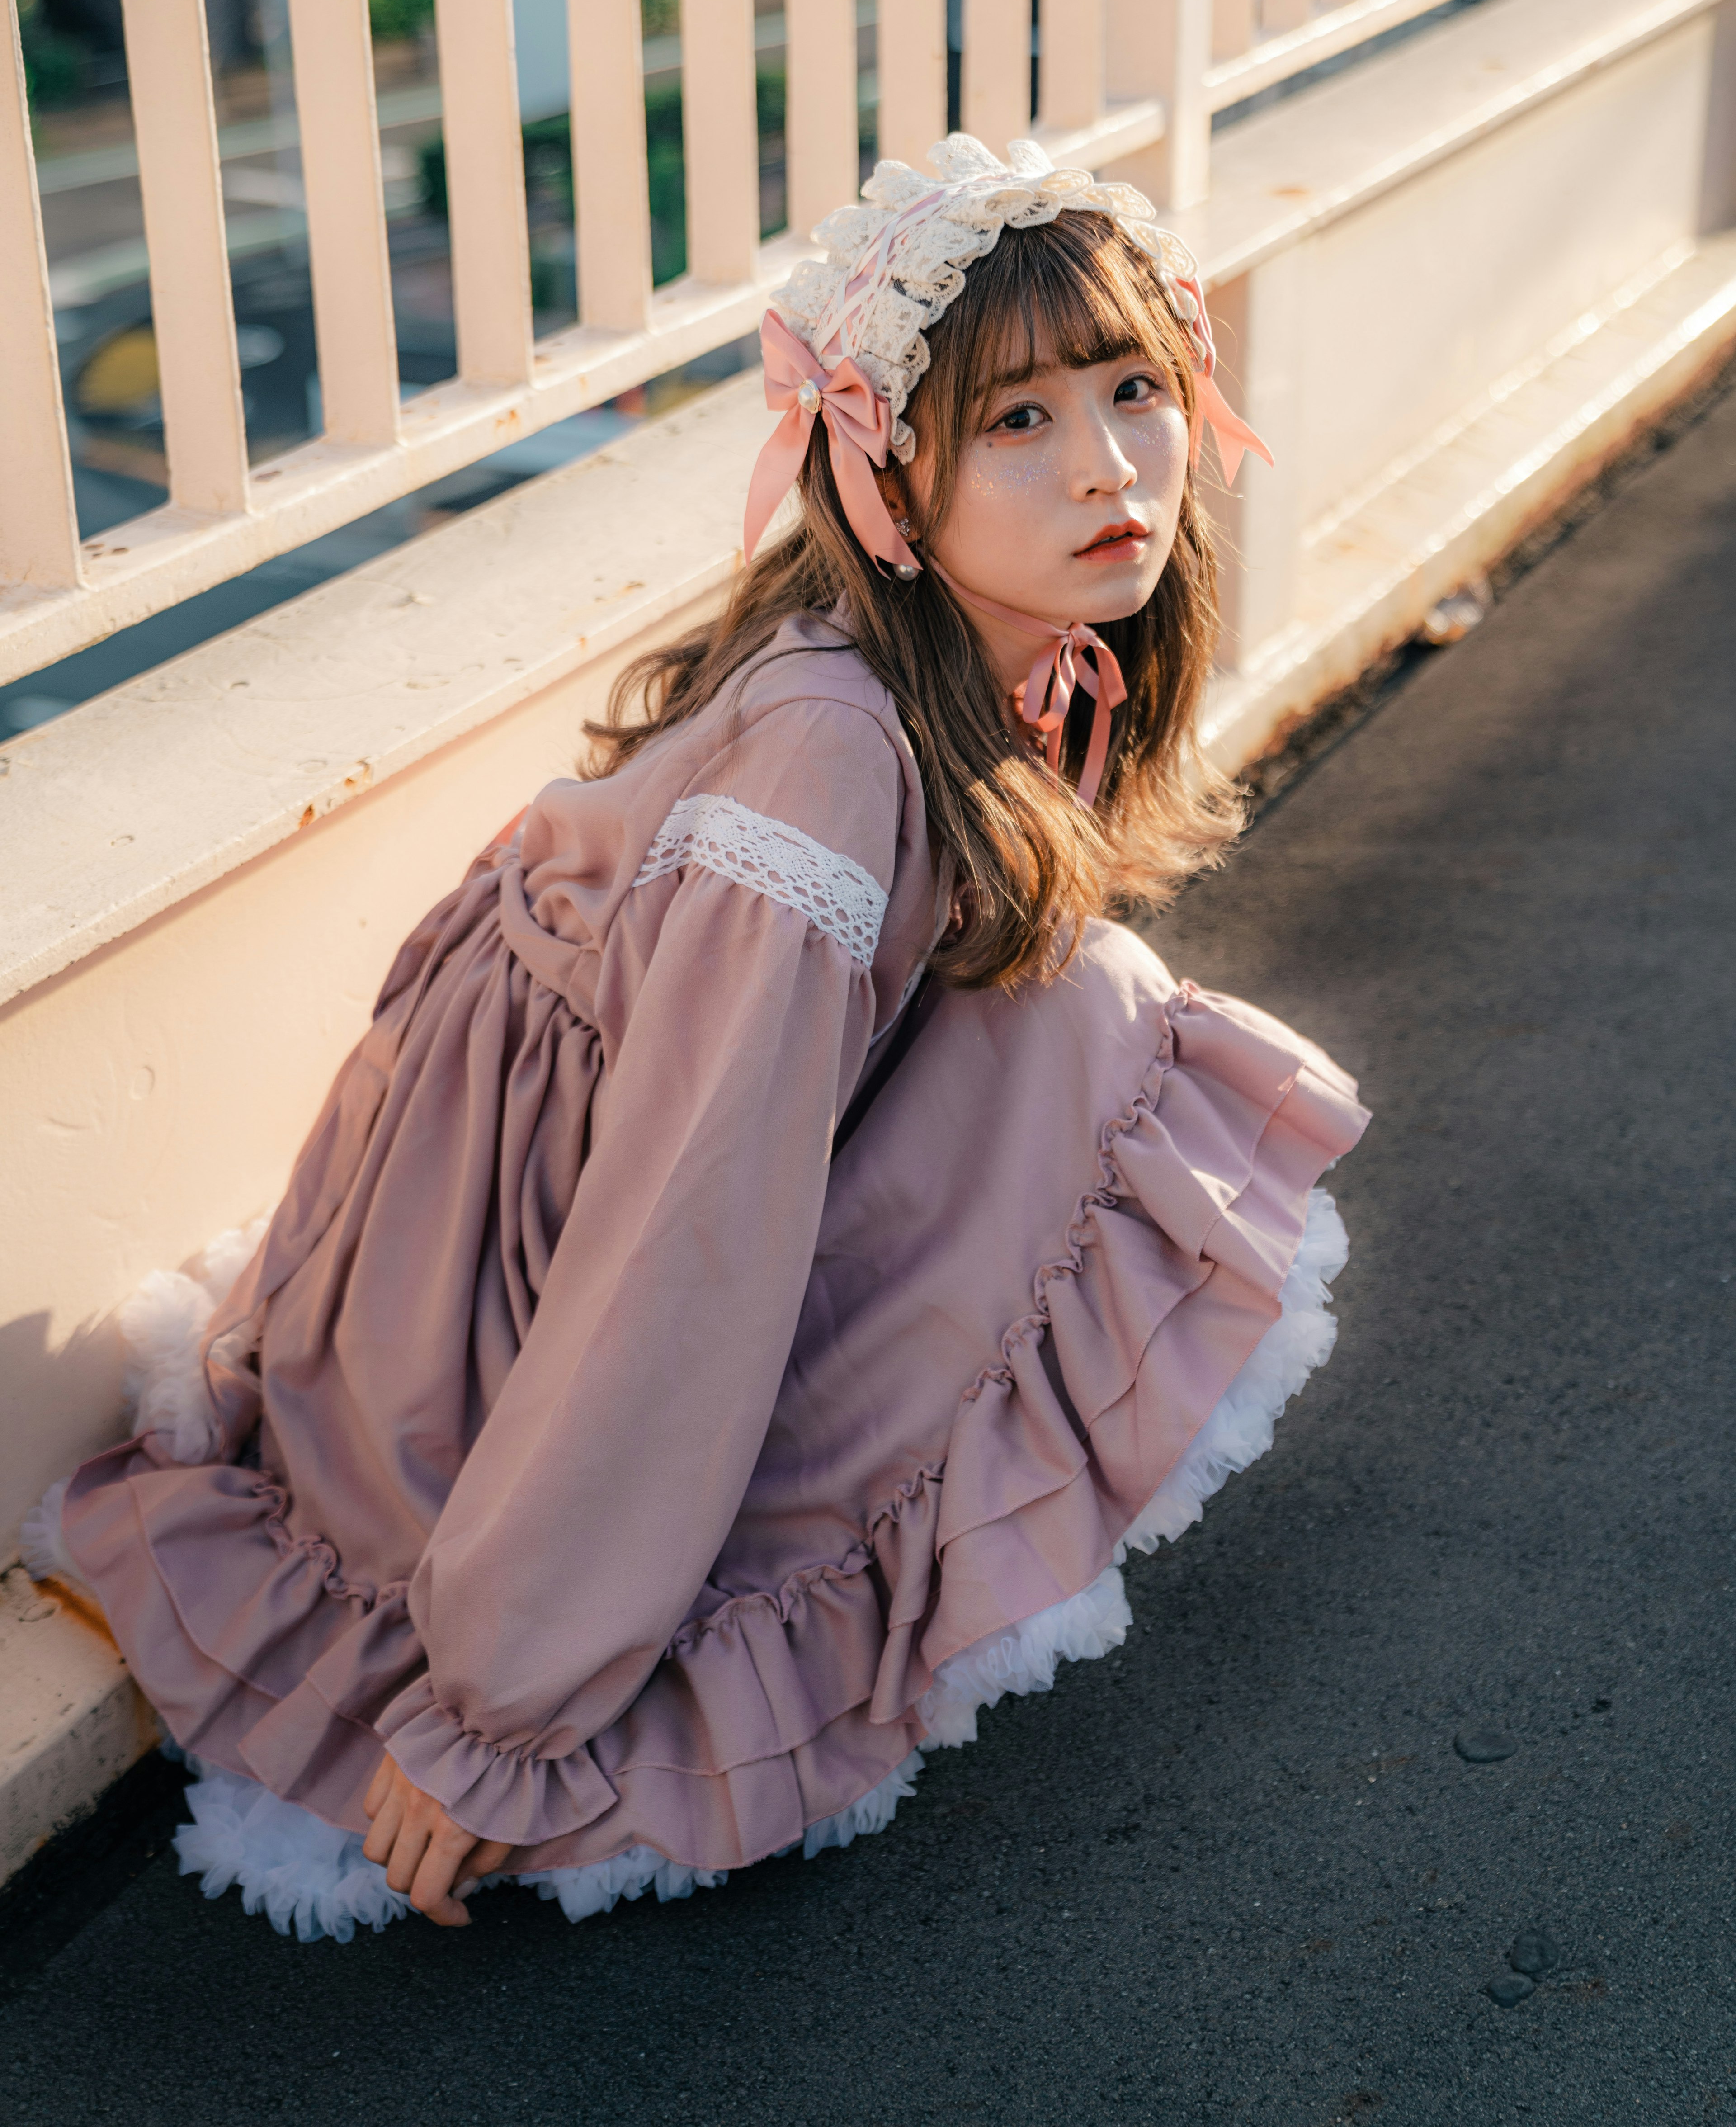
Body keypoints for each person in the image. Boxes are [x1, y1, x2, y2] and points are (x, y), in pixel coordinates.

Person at [28, 135, 1368, 1943]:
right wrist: (503, 1705)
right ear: (885, 467)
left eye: (1135, 390)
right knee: (1100, 1035)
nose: (1112, 465)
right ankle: (542, 1618)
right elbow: (681, 1228)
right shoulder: (829, 755)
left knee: (1073, 1011)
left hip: (594, 1195)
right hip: (503, 1299)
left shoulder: (976, 665)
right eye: (1019, 421)